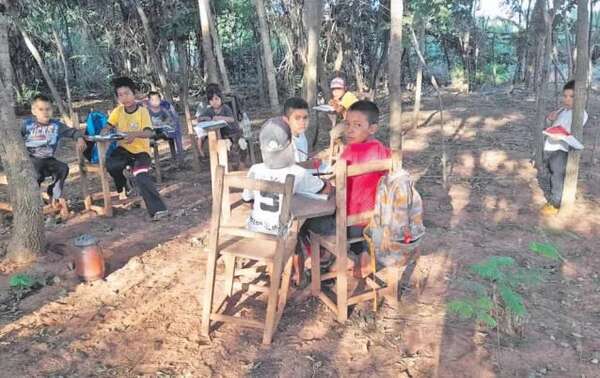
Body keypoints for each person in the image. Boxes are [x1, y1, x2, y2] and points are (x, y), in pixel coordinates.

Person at [304, 100, 391, 278]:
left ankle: (338, 256)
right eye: (348, 124)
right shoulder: (384, 151)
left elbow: (336, 179)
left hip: (348, 224)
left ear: (372, 128)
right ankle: (364, 253)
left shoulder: (350, 152)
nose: (349, 130)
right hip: (377, 221)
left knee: (305, 221)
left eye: (357, 125)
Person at [242, 117, 329, 235]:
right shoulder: (297, 172)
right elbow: (324, 189)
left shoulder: (255, 169)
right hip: (282, 235)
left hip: (254, 232)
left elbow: (247, 199)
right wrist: (328, 182)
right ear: (290, 145)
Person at [104, 77, 168, 221]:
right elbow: (108, 125)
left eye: (127, 93)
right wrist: (105, 130)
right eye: (120, 95)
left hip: (140, 152)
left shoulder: (142, 112)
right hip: (123, 150)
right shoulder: (118, 111)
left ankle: (159, 209)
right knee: (111, 164)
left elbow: (149, 132)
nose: (124, 98)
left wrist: (134, 134)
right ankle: (124, 185)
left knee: (141, 175)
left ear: (134, 94)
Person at [21, 94, 85, 207]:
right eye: (41, 109)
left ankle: (53, 194)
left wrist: (79, 138)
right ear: (34, 111)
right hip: (32, 159)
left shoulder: (56, 125)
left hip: (48, 159)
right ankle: (35, 199)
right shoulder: (27, 125)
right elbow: (16, 140)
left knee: (63, 168)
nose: (45, 112)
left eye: (48, 109)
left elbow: (74, 132)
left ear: (52, 110)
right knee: (36, 174)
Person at [540, 80, 588, 216]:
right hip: (551, 147)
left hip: (561, 150)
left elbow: (569, 132)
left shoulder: (581, 114)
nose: (567, 99)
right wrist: (550, 119)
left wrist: (560, 136)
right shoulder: (562, 110)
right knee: (553, 172)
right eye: (565, 96)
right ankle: (556, 195)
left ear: (580, 98)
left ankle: (555, 203)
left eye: (571, 97)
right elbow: (554, 126)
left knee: (557, 176)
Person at [194, 84, 239, 157]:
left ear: (221, 99)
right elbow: (199, 118)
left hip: (229, 129)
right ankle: (215, 153)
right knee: (212, 132)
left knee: (220, 133)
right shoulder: (209, 110)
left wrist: (221, 117)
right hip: (218, 131)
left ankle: (223, 152)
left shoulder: (225, 108)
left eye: (216, 99)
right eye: (211, 100)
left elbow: (232, 119)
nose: (214, 102)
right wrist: (205, 118)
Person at [144, 91, 184, 162]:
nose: (155, 101)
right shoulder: (147, 111)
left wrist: (166, 123)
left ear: (160, 100)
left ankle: (180, 157)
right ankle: (147, 161)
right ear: (149, 101)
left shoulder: (163, 109)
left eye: (157, 99)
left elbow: (169, 119)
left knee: (176, 132)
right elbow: (147, 124)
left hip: (163, 131)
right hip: (152, 132)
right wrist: (154, 126)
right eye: (152, 100)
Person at [282, 97, 309, 163]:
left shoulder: (301, 134)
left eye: (305, 117)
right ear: (286, 120)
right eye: (297, 118)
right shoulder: (287, 143)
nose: (302, 122)